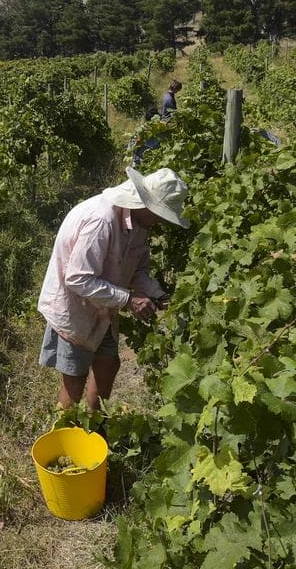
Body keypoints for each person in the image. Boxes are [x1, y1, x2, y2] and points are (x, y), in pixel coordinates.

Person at [37, 166, 189, 410]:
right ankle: (66, 437)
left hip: (104, 307)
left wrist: (159, 295)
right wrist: (129, 300)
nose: (161, 221)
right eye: (161, 214)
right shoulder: (102, 220)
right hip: (75, 308)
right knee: (75, 379)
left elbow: (136, 270)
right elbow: (77, 278)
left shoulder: (139, 224)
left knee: (108, 364)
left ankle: (96, 426)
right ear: (146, 204)